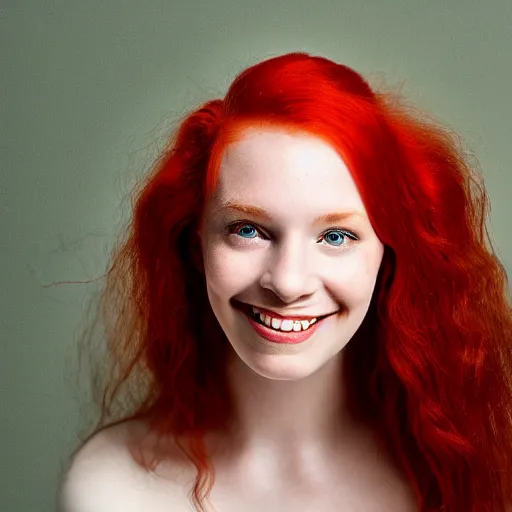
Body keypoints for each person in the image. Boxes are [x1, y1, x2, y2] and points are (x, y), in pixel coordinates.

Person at [58, 52, 512, 512]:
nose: (289, 283)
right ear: (196, 245)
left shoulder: (458, 466)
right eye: (248, 230)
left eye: (336, 236)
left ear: (388, 256)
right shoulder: (109, 489)